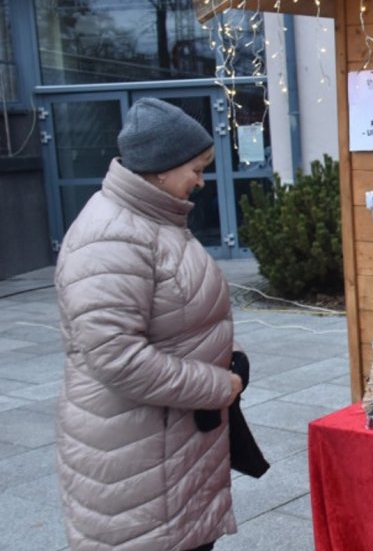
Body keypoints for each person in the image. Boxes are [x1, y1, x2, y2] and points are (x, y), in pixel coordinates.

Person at [55, 98, 243, 551]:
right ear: (161, 168)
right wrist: (217, 385)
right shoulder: (111, 237)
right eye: (196, 168)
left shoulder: (152, 220)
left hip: (165, 444)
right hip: (136, 453)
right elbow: (116, 358)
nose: (201, 180)